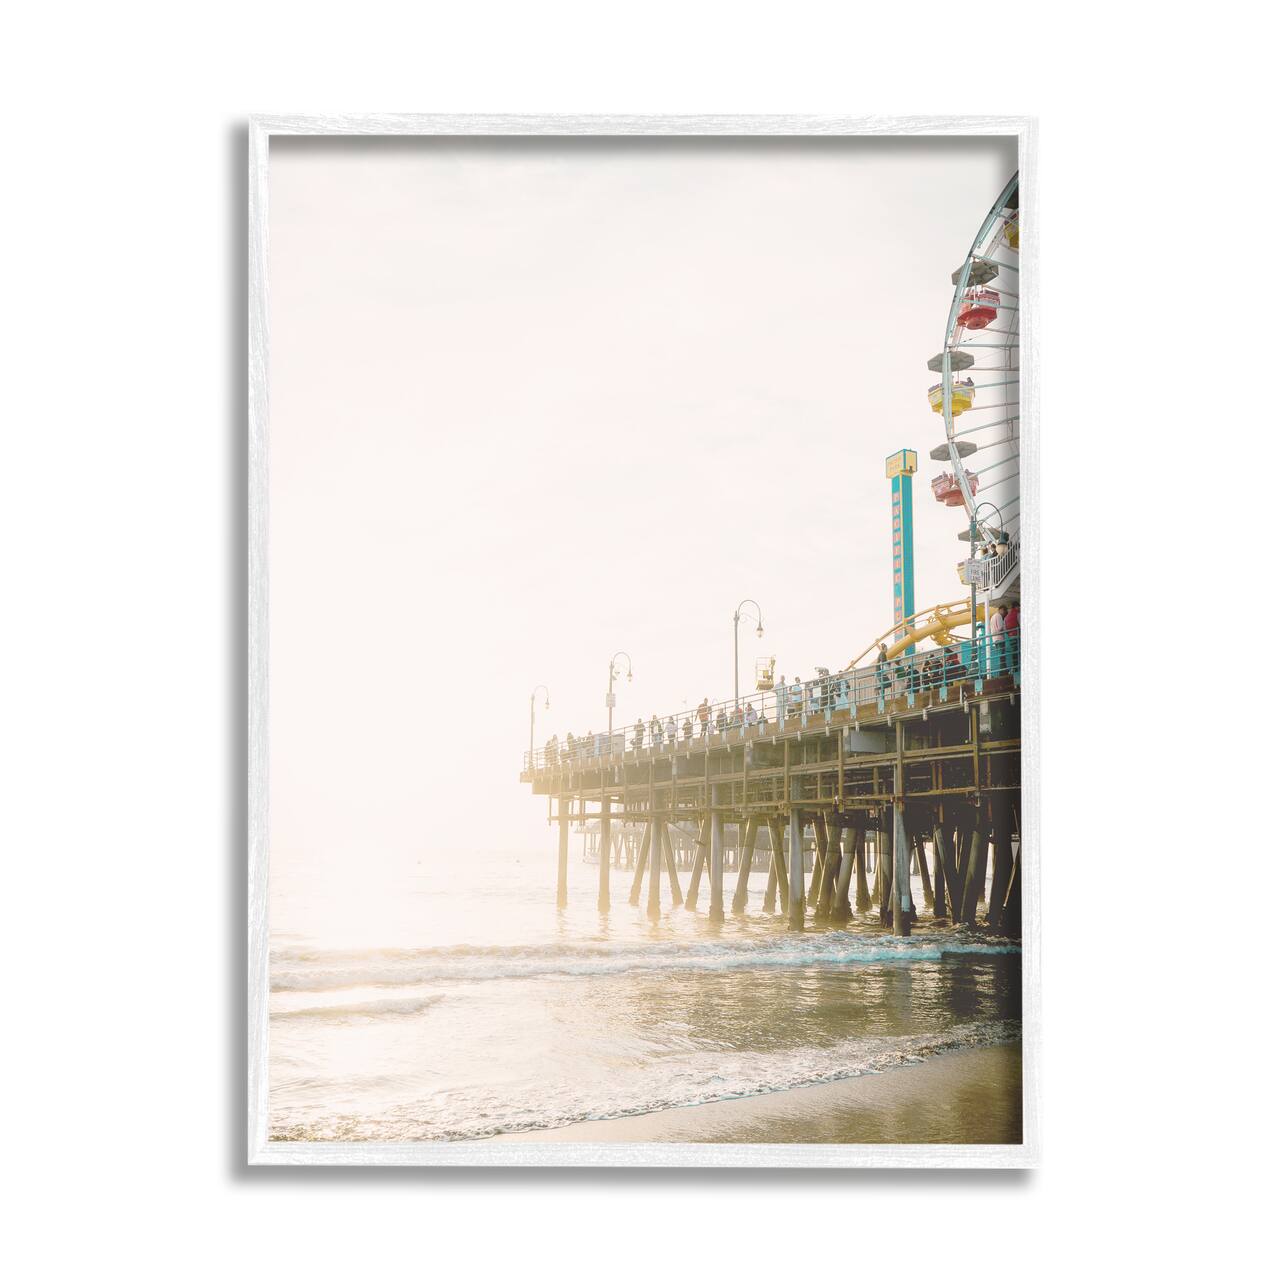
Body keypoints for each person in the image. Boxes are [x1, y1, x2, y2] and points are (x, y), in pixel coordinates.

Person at [988, 600, 1006, 676]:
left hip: (994, 639)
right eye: (1005, 612)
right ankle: (1003, 672)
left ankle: (1001, 672)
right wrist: (1005, 628)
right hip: (1000, 638)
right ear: (1001, 610)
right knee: (1002, 656)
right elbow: (1000, 628)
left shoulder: (992, 617)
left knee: (999, 656)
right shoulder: (998, 616)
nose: (1004, 614)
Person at [1004, 600, 1020, 675]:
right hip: (1017, 635)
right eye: (1018, 606)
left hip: (1010, 637)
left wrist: (1009, 633)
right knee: (1019, 651)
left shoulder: (1006, 617)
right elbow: (1021, 623)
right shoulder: (1017, 614)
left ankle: (1015, 668)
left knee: (1014, 652)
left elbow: (1005, 629)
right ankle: (1018, 667)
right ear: (1016, 607)